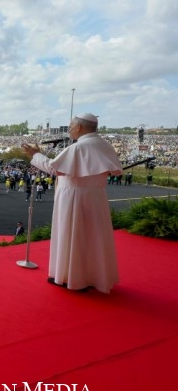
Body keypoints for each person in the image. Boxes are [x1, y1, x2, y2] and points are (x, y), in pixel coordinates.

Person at [22, 113, 123, 293]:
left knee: (72, 236)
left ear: (79, 127)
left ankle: (70, 278)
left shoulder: (78, 148)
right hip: (96, 198)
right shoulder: (104, 145)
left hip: (74, 198)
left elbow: (54, 168)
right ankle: (93, 277)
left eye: (70, 126)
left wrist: (35, 155)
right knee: (93, 238)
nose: (69, 129)